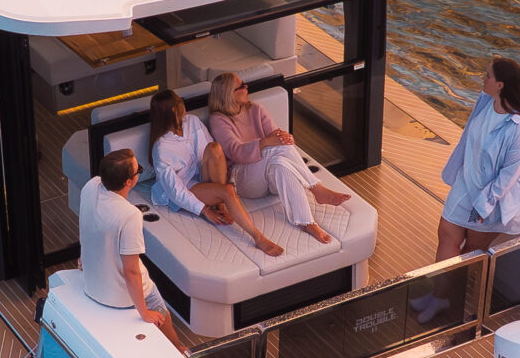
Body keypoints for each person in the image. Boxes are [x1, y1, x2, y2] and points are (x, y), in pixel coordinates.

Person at [205, 71, 347, 246]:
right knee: (273, 149)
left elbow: (279, 140)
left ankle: (307, 223)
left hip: (271, 175)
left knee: (280, 161)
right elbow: (236, 153)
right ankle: (316, 188)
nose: (246, 87)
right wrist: (265, 142)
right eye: (240, 86)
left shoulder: (256, 109)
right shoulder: (218, 119)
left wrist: (282, 139)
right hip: (245, 179)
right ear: (228, 94)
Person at [147, 89, 285, 257]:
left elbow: (212, 153)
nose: (184, 105)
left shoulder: (192, 121)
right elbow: (175, 191)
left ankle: (219, 203)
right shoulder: (161, 147)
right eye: (180, 102)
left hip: (204, 175)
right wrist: (204, 210)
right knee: (228, 191)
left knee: (214, 147)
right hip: (187, 186)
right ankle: (258, 237)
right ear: (174, 110)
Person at [437, 57, 520, 260]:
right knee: (446, 233)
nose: (482, 78)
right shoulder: (486, 101)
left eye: (487, 76)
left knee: (473, 249)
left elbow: (509, 174)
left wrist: (485, 205)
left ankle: (455, 282)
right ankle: (438, 282)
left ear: (500, 85)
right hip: (468, 179)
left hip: (493, 195)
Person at [77, 148, 176, 338]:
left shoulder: (90, 187)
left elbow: (87, 225)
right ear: (129, 182)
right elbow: (131, 272)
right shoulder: (129, 215)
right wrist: (144, 313)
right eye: (139, 169)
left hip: (93, 285)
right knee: (163, 315)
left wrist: (83, 255)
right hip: (120, 297)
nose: (140, 171)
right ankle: (178, 348)